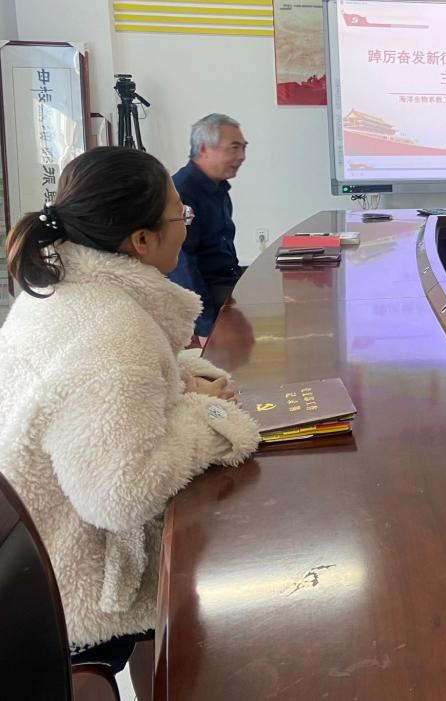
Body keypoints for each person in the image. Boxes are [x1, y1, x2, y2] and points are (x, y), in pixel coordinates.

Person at [0, 147, 260, 677]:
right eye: (180, 216)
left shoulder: (59, 289)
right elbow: (119, 493)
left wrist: (174, 383)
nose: (185, 228)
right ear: (141, 241)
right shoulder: (114, 332)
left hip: (32, 558)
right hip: (73, 586)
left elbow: (94, 400)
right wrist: (205, 416)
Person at [168, 113, 248, 338]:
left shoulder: (219, 188)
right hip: (204, 293)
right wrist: (207, 327)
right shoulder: (181, 193)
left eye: (244, 148)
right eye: (234, 148)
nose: (242, 156)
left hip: (226, 280)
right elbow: (183, 265)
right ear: (204, 149)